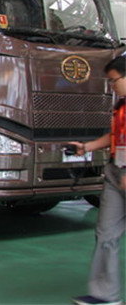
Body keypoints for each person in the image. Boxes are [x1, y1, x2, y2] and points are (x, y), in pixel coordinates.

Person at [70, 55, 126, 305]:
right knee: (106, 232)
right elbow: (116, 136)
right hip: (116, 172)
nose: (112, 86)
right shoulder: (121, 106)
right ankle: (105, 295)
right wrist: (87, 147)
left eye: (115, 81)